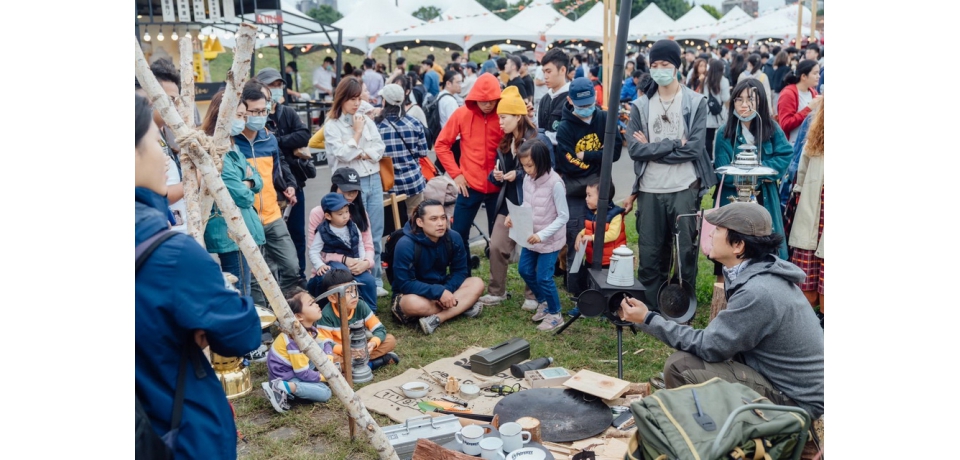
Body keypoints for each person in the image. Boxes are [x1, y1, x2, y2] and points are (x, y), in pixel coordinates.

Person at [136, 94, 261, 459]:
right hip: (178, 433)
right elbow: (242, 333)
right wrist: (212, 301)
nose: (165, 157)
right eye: (155, 142)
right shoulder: (172, 254)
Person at [619, 202, 824, 422]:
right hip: (786, 384)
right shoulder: (756, 272)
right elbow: (722, 343)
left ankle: (703, 434)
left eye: (717, 230)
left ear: (738, 245)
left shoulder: (758, 291)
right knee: (692, 364)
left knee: (681, 366)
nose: (710, 234)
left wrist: (648, 319)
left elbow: (709, 346)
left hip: (796, 403)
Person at [623, 39, 716, 312]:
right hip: (650, 189)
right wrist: (674, 144)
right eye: (655, 65)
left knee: (685, 251)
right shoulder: (641, 105)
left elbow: (695, 149)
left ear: (676, 66)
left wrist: (652, 150)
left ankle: (681, 307)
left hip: (684, 186)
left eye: (665, 64)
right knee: (651, 252)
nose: (660, 69)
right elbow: (635, 150)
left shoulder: (695, 102)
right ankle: (649, 308)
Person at [233, 80, 302, 308]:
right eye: (254, 112)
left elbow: (277, 170)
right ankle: (267, 314)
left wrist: (287, 185)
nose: (260, 116)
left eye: (264, 111)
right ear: (242, 111)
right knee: (258, 274)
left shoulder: (269, 138)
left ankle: (286, 306)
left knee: (291, 265)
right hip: (247, 219)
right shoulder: (231, 142)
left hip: (272, 215)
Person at [555, 77, 623, 297]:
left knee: (604, 238)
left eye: (589, 104)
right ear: (570, 101)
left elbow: (616, 152)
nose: (586, 109)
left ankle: (601, 287)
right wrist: (597, 162)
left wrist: (588, 155)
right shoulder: (565, 127)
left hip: (601, 191)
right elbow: (567, 163)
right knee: (576, 241)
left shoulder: (604, 118)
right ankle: (576, 291)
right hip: (576, 193)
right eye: (581, 105)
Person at [714, 78, 793, 265]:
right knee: (731, 252)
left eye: (750, 99)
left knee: (766, 251)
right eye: (739, 99)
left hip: (765, 197)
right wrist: (757, 174)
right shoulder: (724, 132)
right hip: (733, 198)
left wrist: (757, 171)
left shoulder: (771, 128)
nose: (744, 105)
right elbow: (723, 173)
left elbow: (785, 155)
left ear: (760, 102)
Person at [324, 77, 388, 297]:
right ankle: (354, 279)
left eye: (359, 98)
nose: (357, 103)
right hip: (348, 183)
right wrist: (357, 134)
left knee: (375, 231)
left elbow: (379, 148)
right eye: (352, 99)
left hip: (373, 177)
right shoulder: (332, 125)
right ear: (341, 98)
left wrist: (359, 152)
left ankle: (375, 279)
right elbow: (342, 154)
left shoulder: (365, 119)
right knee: (350, 231)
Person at [200, 90, 266, 296]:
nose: (242, 121)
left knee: (246, 285)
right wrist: (248, 184)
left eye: (244, 116)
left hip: (241, 225)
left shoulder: (232, 145)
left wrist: (248, 182)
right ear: (221, 114)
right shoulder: (215, 148)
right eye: (238, 115)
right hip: (229, 231)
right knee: (240, 289)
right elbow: (241, 196)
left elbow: (258, 179)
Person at [479, 86, 539, 309]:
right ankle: (497, 292)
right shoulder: (505, 142)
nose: (500, 122)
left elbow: (544, 171)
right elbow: (498, 174)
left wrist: (518, 174)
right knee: (496, 245)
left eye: (504, 117)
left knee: (531, 248)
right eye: (499, 118)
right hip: (508, 203)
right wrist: (496, 176)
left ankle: (532, 295)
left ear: (518, 116)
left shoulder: (535, 139)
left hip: (530, 204)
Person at [390, 200, 486, 335]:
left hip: (442, 287)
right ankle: (462, 306)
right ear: (420, 222)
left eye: (443, 218)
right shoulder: (405, 244)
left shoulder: (453, 237)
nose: (440, 223)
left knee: (477, 283)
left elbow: (460, 271)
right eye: (433, 219)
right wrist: (438, 293)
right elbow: (405, 283)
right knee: (413, 303)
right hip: (414, 294)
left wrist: (446, 291)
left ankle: (438, 318)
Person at [505, 139, 569, 331]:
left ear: (542, 161)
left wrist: (542, 235)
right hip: (531, 236)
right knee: (524, 270)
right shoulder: (527, 179)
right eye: (524, 166)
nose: (527, 170)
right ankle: (544, 302)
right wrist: (514, 216)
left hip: (549, 240)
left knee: (544, 278)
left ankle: (556, 314)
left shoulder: (555, 184)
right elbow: (527, 204)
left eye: (530, 165)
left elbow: (563, 216)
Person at [258, 68, 314, 282]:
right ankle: (276, 279)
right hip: (268, 186)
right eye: (271, 85)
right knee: (272, 235)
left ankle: (299, 276)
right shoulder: (256, 115)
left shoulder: (287, 112)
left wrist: (277, 141)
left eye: (278, 84)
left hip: (293, 182)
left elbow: (304, 135)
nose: (276, 89)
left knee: (296, 232)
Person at [435, 73, 503, 246]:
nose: (488, 105)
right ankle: (463, 265)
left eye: (492, 100)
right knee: (458, 235)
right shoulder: (462, 114)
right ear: (475, 98)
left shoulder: (504, 114)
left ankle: (495, 265)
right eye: (483, 101)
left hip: (499, 184)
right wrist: (456, 174)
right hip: (469, 184)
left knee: (498, 238)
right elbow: (441, 145)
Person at [307, 167, 377, 304]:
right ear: (335, 187)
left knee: (368, 280)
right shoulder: (318, 213)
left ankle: (369, 312)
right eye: (346, 189)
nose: (351, 194)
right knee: (341, 279)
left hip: (356, 263)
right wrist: (344, 259)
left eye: (355, 190)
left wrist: (366, 263)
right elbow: (314, 250)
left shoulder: (360, 213)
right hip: (328, 267)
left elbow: (367, 245)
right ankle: (330, 312)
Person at [262, 287, 334, 414]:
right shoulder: (294, 339)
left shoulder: (307, 329)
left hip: (295, 368)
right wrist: (324, 376)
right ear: (299, 316)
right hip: (287, 376)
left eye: (314, 301)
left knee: (320, 345)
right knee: (325, 392)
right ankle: (282, 387)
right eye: (311, 303)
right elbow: (302, 373)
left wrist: (329, 357)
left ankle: (289, 388)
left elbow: (325, 342)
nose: (317, 305)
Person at [135, 59, 187, 234]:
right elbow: (160, 193)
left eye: (176, 101)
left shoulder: (171, 133)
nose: (174, 107)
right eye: (169, 100)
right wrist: (196, 179)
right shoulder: (139, 140)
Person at [787, 98, 824, 325]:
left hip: (816, 209)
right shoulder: (816, 137)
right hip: (813, 212)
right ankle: (807, 327)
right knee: (807, 283)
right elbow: (801, 175)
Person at [317, 270, 400, 370]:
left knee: (390, 340)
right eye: (348, 292)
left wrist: (372, 344)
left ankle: (353, 367)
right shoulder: (326, 315)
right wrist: (346, 351)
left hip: (360, 348)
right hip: (340, 352)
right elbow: (326, 344)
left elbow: (380, 329)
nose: (354, 296)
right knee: (328, 359)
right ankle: (371, 364)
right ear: (332, 298)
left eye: (354, 290)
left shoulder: (361, 305)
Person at [377, 83, 429, 218]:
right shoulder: (414, 123)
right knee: (415, 218)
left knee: (391, 220)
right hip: (413, 181)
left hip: (388, 184)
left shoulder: (376, 126)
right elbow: (423, 152)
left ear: (385, 101)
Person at [571, 180, 626, 294]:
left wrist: (591, 237)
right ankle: (586, 299)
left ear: (602, 198)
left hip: (609, 261)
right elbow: (589, 228)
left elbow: (613, 234)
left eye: (589, 195)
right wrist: (580, 234)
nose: (586, 198)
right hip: (591, 257)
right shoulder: (592, 213)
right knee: (588, 282)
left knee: (605, 287)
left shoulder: (615, 215)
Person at [777, 60, 821, 143]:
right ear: (803, 76)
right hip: (792, 144)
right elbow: (785, 124)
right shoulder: (788, 93)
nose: (818, 76)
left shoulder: (813, 92)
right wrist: (808, 109)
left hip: (809, 144)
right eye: (815, 73)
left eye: (818, 73)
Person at [537, 48, 571, 147]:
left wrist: (542, 136)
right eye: (544, 72)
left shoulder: (572, 99)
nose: (545, 76)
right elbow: (539, 127)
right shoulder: (545, 99)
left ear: (563, 70)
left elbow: (570, 135)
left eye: (549, 71)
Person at [703, 59, 730, 161]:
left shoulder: (706, 80)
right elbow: (725, 98)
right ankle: (720, 158)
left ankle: (709, 160)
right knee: (721, 137)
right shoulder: (724, 81)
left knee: (708, 139)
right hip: (720, 114)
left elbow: (705, 97)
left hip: (708, 112)